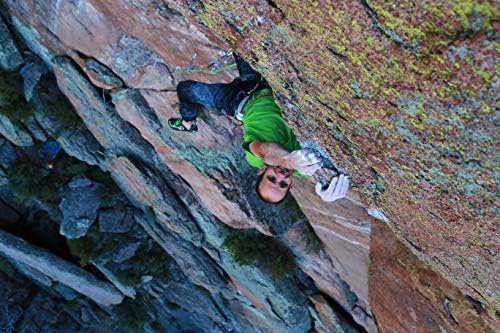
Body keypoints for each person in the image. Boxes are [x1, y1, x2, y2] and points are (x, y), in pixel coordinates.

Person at [168, 53, 349, 204]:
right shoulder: (304, 165)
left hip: (240, 99)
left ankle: (188, 122)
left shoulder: (257, 159)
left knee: (186, 89)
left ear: (261, 171)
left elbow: (264, 149)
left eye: (271, 178)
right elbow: (321, 167)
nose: (280, 176)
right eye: (283, 184)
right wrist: (327, 186)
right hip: (274, 87)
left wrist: (288, 160)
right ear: (291, 184)